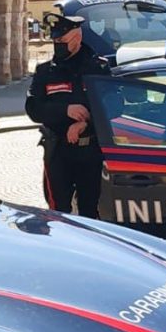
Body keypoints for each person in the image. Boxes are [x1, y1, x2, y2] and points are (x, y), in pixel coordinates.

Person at [25, 11, 110, 218]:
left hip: (89, 151)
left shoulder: (98, 68)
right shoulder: (46, 72)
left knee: (90, 212)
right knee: (58, 214)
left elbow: (112, 109)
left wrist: (85, 123)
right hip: (58, 151)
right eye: (55, 40)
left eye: (62, 40)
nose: (57, 44)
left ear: (77, 38)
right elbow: (34, 108)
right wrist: (65, 111)